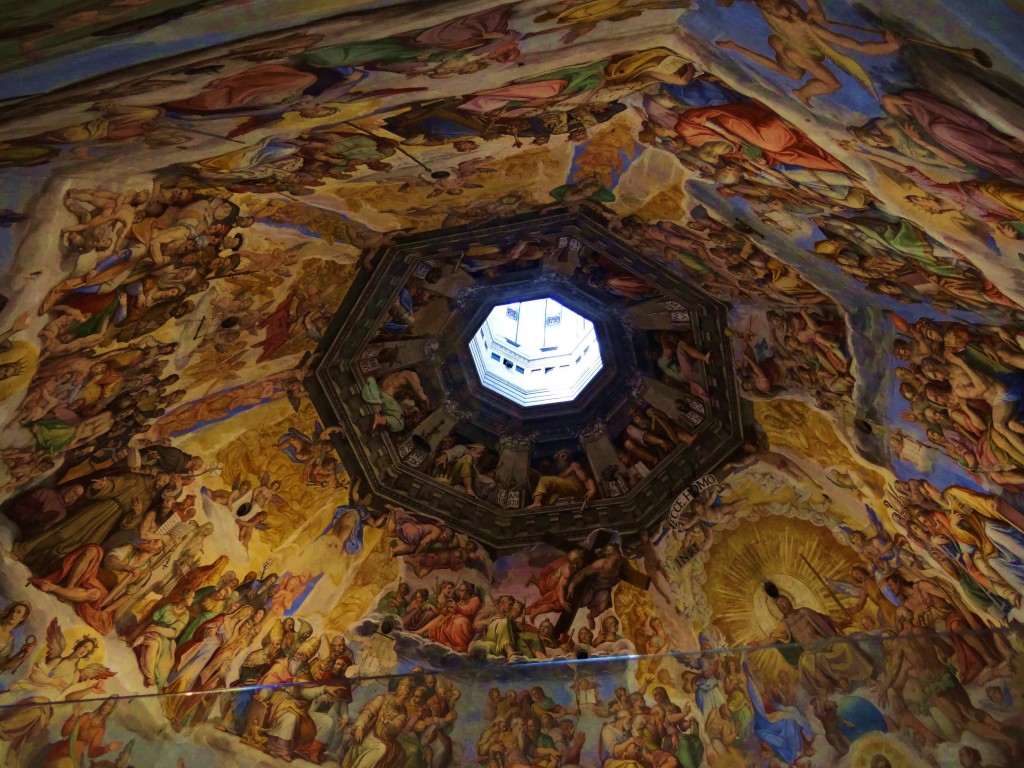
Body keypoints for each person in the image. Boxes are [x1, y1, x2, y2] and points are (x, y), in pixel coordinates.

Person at [528, 450, 597, 508]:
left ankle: (537, 502)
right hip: (566, 492)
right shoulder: (560, 475)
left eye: (567, 456)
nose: (566, 457)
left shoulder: (573, 465)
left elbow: (586, 479)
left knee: (544, 479)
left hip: (576, 488)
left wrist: (592, 490)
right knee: (550, 498)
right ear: (558, 460)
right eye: (563, 456)